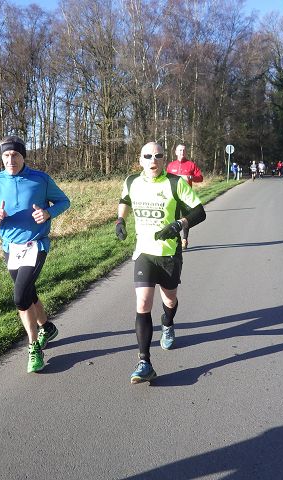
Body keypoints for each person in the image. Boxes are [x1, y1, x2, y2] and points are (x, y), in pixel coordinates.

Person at [0, 136, 70, 373]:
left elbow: (63, 201)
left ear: (23, 156)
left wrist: (47, 213)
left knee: (19, 297)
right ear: (1, 157)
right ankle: (47, 327)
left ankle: (34, 347)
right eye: (6, 155)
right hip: (11, 248)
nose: (10, 160)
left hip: (36, 245)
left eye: (15, 155)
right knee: (28, 292)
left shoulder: (40, 179)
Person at [116, 142, 206, 383]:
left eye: (158, 155)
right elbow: (124, 199)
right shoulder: (132, 181)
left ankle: (168, 322)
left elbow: (200, 211)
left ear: (164, 159)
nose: (153, 160)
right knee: (143, 302)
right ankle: (144, 362)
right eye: (148, 156)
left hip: (169, 254)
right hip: (144, 253)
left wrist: (178, 224)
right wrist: (120, 220)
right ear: (140, 160)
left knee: (169, 300)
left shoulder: (175, 183)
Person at [166, 144, 203, 250]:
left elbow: (200, 178)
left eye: (184, 150)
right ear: (176, 152)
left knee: (185, 218)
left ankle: (184, 239)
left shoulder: (191, 165)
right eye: (180, 150)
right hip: (173, 196)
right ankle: (175, 240)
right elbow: (165, 179)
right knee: (173, 218)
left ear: (186, 152)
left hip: (186, 197)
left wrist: (191, 177)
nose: (182, 152)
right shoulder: (171, 165)